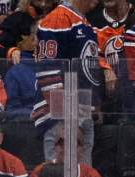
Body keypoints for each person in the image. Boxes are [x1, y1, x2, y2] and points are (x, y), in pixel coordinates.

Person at [32, 0, 100, 161]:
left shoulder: (83, 21)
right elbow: (47, 74)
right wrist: (66, 120)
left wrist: (95, 105)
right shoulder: (56, 19)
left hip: (82, 110)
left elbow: (87, 69)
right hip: (60, 116)